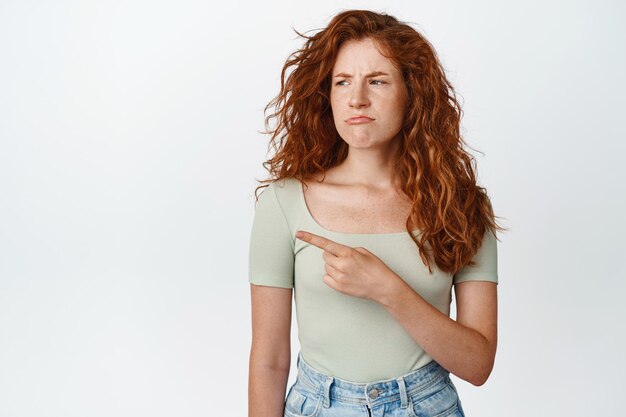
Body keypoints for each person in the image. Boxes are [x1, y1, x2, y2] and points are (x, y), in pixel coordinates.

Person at [248, 9, 506, 417]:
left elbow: (477, 365)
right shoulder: (284, 202)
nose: (357, 99)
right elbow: (269, 361)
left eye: (378, 81)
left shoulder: (461, 205)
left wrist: (388, 289)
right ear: (327, 96)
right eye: (343, 81)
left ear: (412, 92)